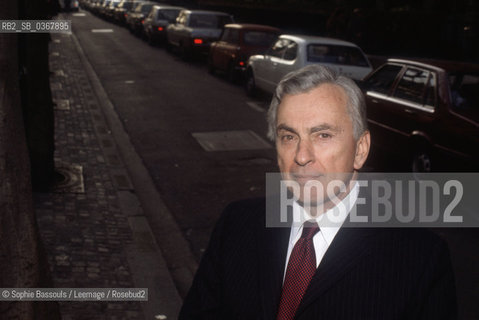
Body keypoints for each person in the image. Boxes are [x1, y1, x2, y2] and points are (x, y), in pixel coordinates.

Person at [179, 65, 457, 320]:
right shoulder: (237, 224)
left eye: (323, 135)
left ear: (360, 150)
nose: (301, 156)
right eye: (289, 137)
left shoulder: (420, 259)